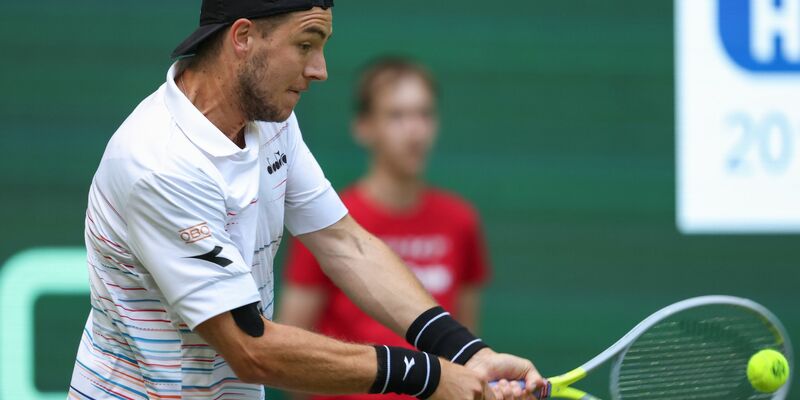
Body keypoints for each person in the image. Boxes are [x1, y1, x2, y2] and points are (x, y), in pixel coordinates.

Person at [67, 2, 545, 400]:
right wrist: (428, 375)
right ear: (243, 37)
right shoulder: (159, 164)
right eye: (305, 45)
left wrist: (466, 353)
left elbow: (344, 244)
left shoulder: (269, 119)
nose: (320, 70)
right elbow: (251, 348)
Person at [279, 58, 491, 400]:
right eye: (397, 115)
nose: (415, 131)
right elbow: (290, 351)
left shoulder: (460, 220)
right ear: (363, 126)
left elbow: (465, 342)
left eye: (424, 114)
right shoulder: (327, 222)